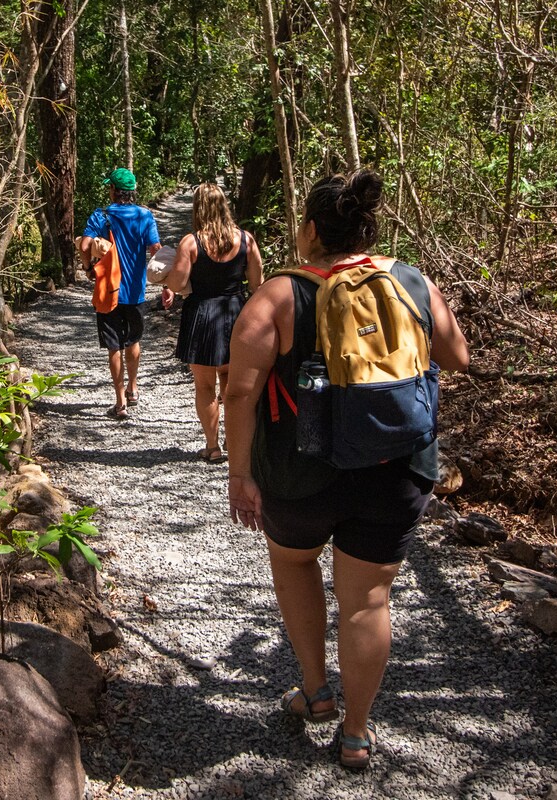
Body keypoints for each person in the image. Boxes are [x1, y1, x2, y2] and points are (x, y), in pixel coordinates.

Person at [224, 170, 469, 770]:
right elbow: (457, 358)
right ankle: (356, 735)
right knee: (367, 601)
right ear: (367, 226)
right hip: (395, 467)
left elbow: (239, 395)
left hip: (300, 471)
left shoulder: (278, 296)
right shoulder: (410, 280)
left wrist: (240, 473)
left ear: (309, 230)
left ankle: (314, 691)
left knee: (295, 560)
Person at [164, 183, 263, 463]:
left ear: (199, 208)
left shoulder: (191, 243)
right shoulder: (246, 240)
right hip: (236, 315)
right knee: (232, 385)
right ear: (224, 206)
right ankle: (235, 444)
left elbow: (179, 282)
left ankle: (213, 446)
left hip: (202, 316)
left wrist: (166, 276)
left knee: (205, 387)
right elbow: (258, 285)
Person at [79, 168, 162, 419]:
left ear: (114, 191)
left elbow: (84, 245)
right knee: (133, 341)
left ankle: (119, 403)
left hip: (108, 291)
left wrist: (88, 268)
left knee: (114, 346)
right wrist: (163, 282)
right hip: (135, 292)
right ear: (133, 192)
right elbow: (156, 249)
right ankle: (133, 388)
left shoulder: (101, 216)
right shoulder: (145, 216)